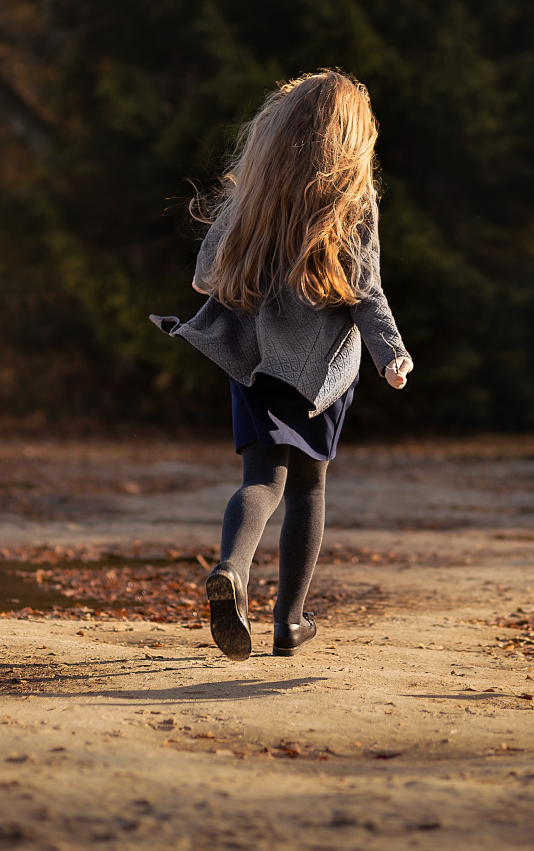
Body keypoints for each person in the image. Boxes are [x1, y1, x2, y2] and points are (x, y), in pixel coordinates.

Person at [151, 70, 413, 661]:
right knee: (309, 491)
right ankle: (289, 623)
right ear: (351, 138)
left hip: (253, 364)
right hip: (318, 373)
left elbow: (203, 272)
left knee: (262, 481)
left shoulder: (259, 188)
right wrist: (391, 353)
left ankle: (233, 569)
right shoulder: (352, 200)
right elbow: (366, 291)